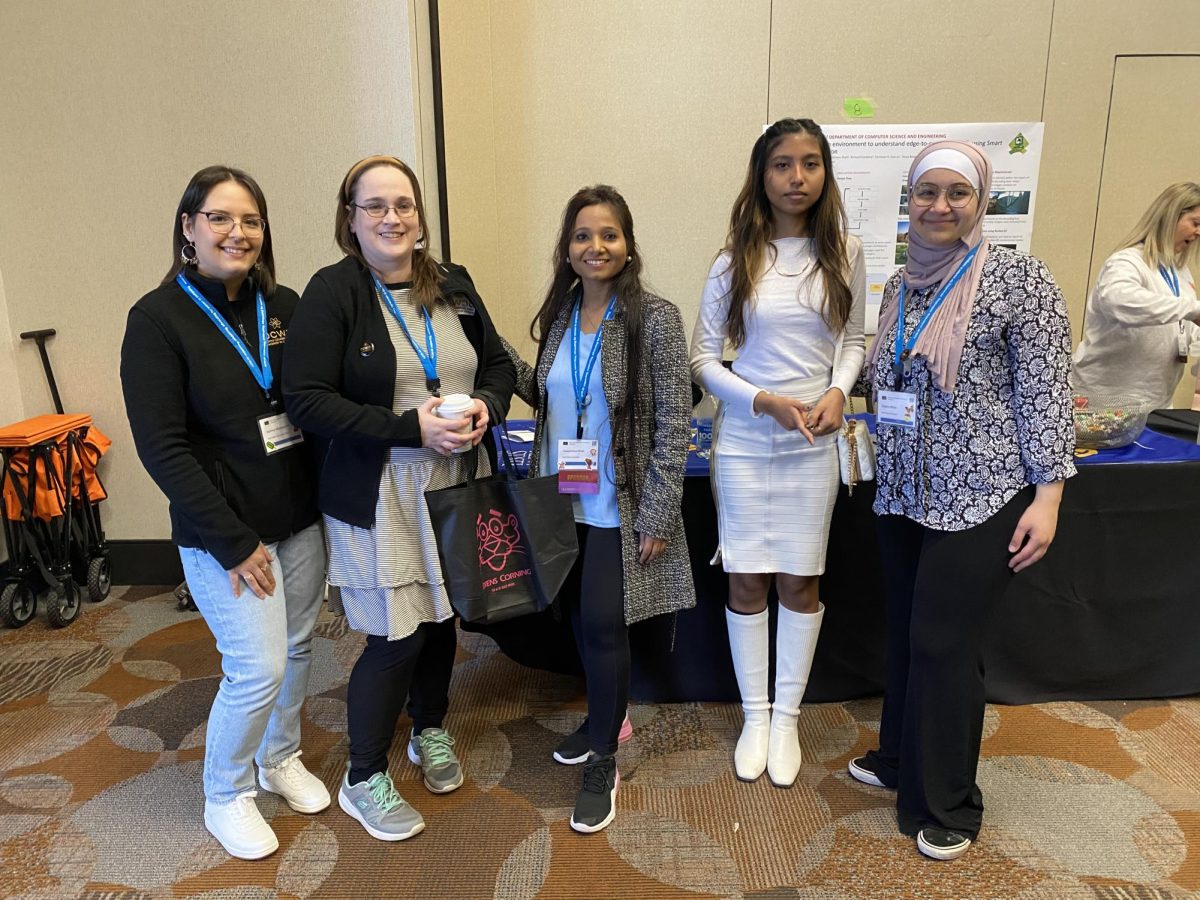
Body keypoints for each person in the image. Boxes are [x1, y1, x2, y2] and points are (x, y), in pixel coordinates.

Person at [847, 141, 1076, 861]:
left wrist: (1049, 495)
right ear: (908, 201)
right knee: (909, 633)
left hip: (983, 493)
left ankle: (948, 801)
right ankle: (899, 757)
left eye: (958, 193)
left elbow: (1044, 391)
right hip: (907, 492)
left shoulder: (1018, 279)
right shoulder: (899, 286)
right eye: (926, 193)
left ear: (982, 203)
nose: (940, 207)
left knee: (944, 643)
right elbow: (893, 381)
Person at [281, 156, 514, 842]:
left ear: (419, 214)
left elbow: (495, 364)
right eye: (375, 205)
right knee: (395, 634)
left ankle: (430, 730)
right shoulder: (334, 292)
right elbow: (307, 401)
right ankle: (362, 776)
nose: (392, 217)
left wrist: (488, 411)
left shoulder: (455, 284)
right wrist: (408, 426)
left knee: (443, 622)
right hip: (381, 489)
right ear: (349, 218)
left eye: (404, 204)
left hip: (456, 482)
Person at [121, 166, 328, 860]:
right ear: (188, 228)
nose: (237, 233)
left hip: (299, 517)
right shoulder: (157, 320)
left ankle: (280, 758)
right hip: (225, 532)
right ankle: (226, 792)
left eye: (250, 220)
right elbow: (162, 448)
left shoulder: (285, 305)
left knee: (298, 647)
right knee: (256, 666)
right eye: (219, 218)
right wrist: (234, 542)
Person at [504, 185, 695, 834]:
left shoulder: (654, 317)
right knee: (579, 626)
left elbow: (675, 420)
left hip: (621, 506)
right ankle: (600, 717)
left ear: (628, 244)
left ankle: (604, 760)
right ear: (566, 247)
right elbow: (544, 392)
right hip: (563, 500)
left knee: (605, 626)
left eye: (608, 234)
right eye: (583, 235)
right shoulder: (560, 314)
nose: (595, 246)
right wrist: (492, 348)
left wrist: (659, 514)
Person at [690, 118, 866, 789]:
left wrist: (838, 391)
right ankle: (755, 717)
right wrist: (762, 401)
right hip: (746, 436)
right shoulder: (734, 258)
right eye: (783, 165)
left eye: (811, 163)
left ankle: (786, 717)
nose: (797, 177)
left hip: (812, 440)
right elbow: (705, 360)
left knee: (799, 578)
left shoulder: (844, 250)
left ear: (825, 173)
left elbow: (854, 339)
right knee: (745, 577)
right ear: (762, 175)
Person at [1073, 182, 1200, 408]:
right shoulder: (1126, 262)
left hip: (1156, 403)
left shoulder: (1181, 273)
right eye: (1195, 223)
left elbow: (1180, 326)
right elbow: (1121, 302)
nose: (1198, 232)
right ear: (1170, 216)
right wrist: (1193, 309)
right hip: (1103, 403)